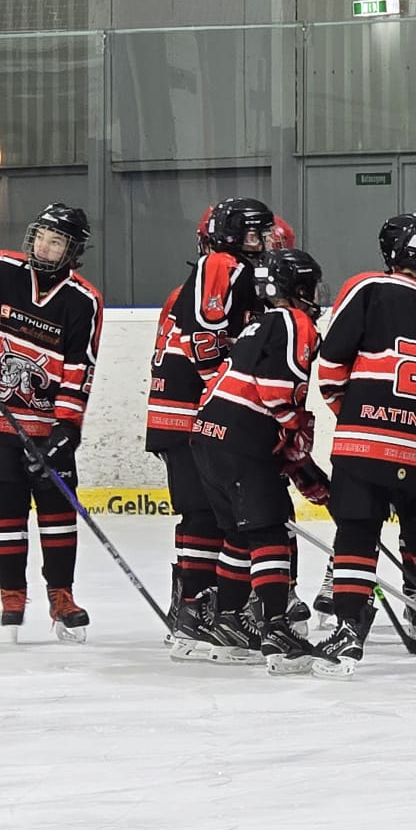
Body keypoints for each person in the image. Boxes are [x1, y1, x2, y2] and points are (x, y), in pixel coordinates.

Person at [314, 215, 416, 675]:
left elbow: (331, 364)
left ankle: (348, 633)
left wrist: (355, 413)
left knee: (357, 533)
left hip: (366, 441)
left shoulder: (367, 289)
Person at [0, 203, 102, 639]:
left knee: (58, 513)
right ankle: (11, 594)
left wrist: (66, 429)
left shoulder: (83, 300)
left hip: (46, 427)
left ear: (72, 251)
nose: (44, 247)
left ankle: (61, 595)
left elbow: (78, 369)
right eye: (41, 237)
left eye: (56, 242)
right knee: (6, 508)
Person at [183, 248, 326, 672]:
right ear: (298, 288)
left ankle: (228, 622)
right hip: (242, 437)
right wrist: (293, 432)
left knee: (236, 535)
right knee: (268, 533)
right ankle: (276, 628)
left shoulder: (256, 324)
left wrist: (291, 452)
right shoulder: (295, 321)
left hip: (206, 436)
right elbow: (277, 390)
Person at [147, 199, 267, 629]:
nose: (263, 245)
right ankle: (195, 608)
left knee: (209, 515)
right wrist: (227, 396)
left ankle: (194, 606)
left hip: (181, 412)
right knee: (205, 515)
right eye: (255, 235)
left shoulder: (213, 278)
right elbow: (206, 341)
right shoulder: (220, 266)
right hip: (191, 414)